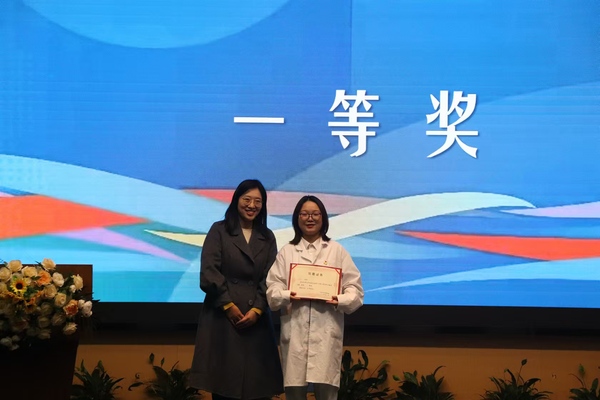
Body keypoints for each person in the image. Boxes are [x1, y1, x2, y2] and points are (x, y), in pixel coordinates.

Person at [190, 179, 284, 400]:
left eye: (258, 201)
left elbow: (271, 276)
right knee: (225, 387)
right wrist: (228, 305)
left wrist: (258, 309)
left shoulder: (267, 236)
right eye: (247, 199)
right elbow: (209, 272)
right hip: (222, 318)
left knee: (257, 388)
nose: (252, 205)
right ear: (236, 200)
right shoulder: (219, 230)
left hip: (256, 320)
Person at [266, 195, 364, 400]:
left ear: (323, 218)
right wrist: (288, 294)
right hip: (295, 333)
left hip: (326, 333)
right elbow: (272, 292)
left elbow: (355, 291)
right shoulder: (287, 252)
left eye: (315, 214)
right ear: (297, 218)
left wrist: (339, 299)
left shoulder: (337, 251)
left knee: (327, 394)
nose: (310, 218)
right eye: (304, 214)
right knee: (294, 393)